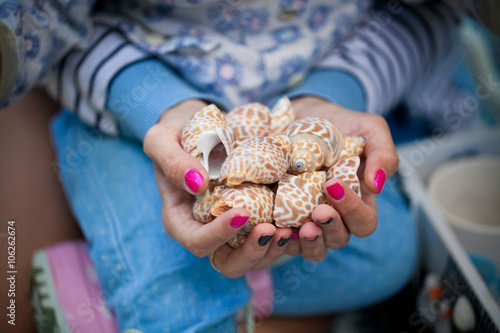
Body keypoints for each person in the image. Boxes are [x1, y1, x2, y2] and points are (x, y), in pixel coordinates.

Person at [0, 0, 491, 331]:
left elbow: (428, 13)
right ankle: (154, 279)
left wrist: (334, 93)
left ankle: (121, 270)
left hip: (318, 88)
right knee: (175, 306)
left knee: (392, 252)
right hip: (131, 120)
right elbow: (56, 34)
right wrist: (160, 106)